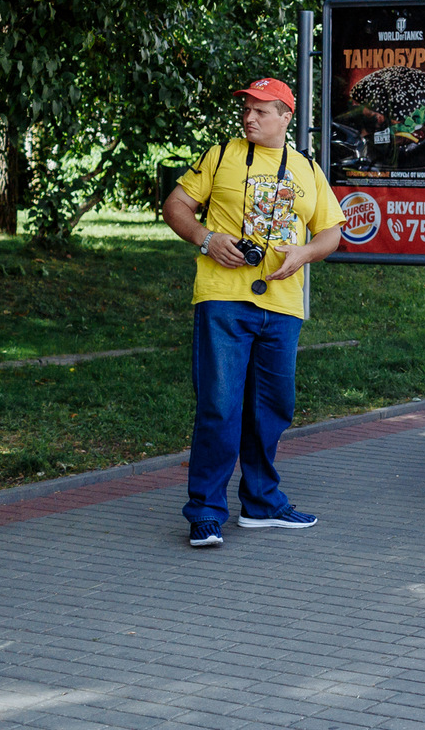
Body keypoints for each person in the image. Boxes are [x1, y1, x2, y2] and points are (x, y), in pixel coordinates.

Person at [163, 77, 346, 549]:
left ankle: (262, 504)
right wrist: (207, 239)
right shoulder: (220, 155)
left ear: (286, 116)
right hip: (223, 299)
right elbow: (176, 205)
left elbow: (330, 233)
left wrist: (302, 254)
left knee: (272, 408)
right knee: (220, 406)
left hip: (282, 306)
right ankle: (205, 512)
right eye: (246, 107)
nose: (249, 116)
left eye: (262, 110)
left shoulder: (307, 169)